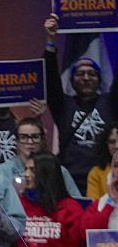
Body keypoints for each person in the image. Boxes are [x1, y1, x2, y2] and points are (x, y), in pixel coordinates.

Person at [44, 13, 117, 194]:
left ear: (99, 79)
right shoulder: (63, 105)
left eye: (91, 74)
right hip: (69, 183)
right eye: (80, 73)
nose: (86, 78)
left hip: (105, 182)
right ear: (72, 79)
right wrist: (51, 39)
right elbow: (51, 78)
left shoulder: (111, 103)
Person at [18, 152, 91, 247]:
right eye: (26, 169)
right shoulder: (18, 204)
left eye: (33, 170)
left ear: (47, 173)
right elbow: (5, 242)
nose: (26, 174)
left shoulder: (70, 208)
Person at [0, 117, 81, 198]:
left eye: (35, 137)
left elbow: (77, 202)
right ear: (16, 141)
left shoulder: (59, 170)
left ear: (42, 139)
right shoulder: (3, 172)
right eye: (23, 137)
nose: (30, 142)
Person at [86, 122, 118, 199]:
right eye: (112, 142)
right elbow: (94, 206)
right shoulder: (96, 173)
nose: (117, 146)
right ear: (105, 145)